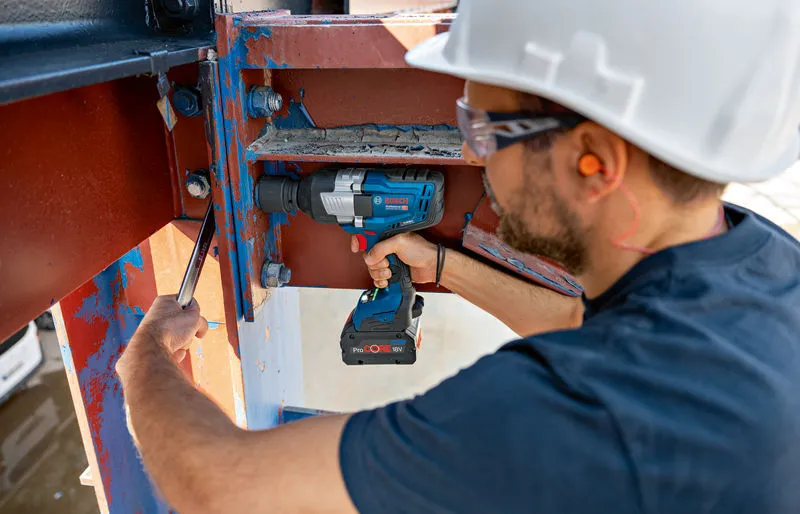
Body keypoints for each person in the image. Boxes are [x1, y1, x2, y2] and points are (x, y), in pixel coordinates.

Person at [116, 0, 800, 512]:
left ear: (596, 163)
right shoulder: (762, 262)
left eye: (485, 126)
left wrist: (143, 357)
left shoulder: (571, 416)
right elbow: (581, 325)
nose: (471, 153)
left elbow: (215, 487)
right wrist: (439, 265)